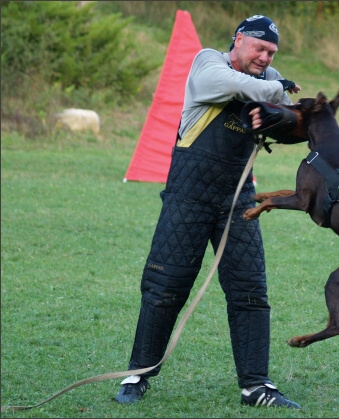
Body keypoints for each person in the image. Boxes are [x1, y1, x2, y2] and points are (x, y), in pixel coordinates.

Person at [115, 15, 302, 409]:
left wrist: (290, 109)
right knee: (164, 288)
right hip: (187, 197)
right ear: (238, 40)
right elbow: (235, 86)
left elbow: (286, 115)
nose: (265, 57)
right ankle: (137, 375)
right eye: (259, 48)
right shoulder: (208, 62)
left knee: (251, 291)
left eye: (271, 53)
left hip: (238, 201)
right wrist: (275, 91)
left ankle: (255, 386)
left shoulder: (268, 78)